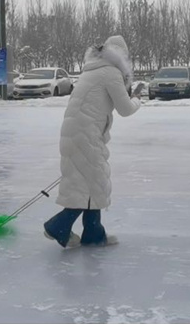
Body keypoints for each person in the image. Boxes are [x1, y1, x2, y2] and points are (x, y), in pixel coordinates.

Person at [44, 36, 144, 249]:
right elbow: (125, 109)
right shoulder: (111, 73)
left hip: (76, 133)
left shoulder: (92, 70)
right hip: (85, 135)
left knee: (90, 183)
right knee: (92, 181)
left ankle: (93, 233)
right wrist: (137, 99)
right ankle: (58, 225)